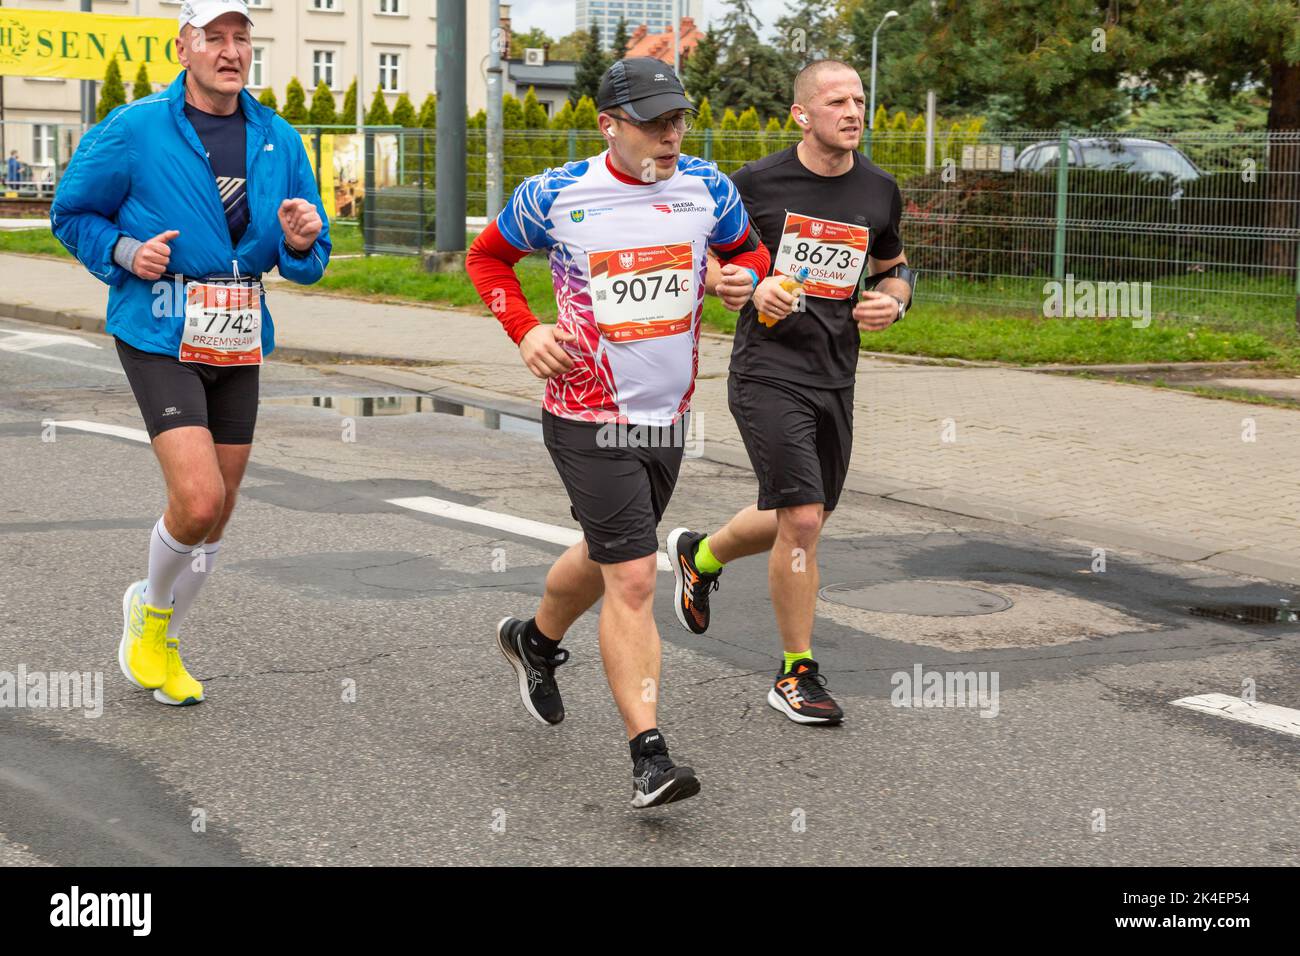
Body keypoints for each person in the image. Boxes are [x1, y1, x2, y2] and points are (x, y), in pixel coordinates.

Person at [466, 57, 769, 807]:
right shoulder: (557, 195)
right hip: (583, 412)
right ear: (609, 125)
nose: (671, 136)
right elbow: (488, 257)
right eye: (654, 123)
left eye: (679, 121)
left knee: (608, 552)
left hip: (666, 415)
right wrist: (525, 327)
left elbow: (750, 257)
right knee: (634, 575)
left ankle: (533, 641)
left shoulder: (708, 187)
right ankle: (649, 756)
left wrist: (744, 280)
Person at [51, 0, 330, 706]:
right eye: (214, 37)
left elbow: (309, 255)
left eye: (241, 38)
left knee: (222, 509)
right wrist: (123, 250)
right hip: (158, 326)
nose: (231, 51)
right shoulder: (136, 128)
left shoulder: (279, 137)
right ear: (184, 49)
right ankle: (147, 615)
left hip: (237, 330)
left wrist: (300, 240)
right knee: (197, 497)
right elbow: (71, 212)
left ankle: (163, 627)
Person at [669, 59, 914, 725]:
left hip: (837, 373)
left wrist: (894, 301)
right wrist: (731, 282)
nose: (854, 111)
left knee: (799, 515)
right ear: (802, 115)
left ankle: (700, 553)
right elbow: (707, 256)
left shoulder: (878, 189)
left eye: (860, 99)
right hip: (767, 369)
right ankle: (795, 672)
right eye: (837, 101)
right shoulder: (755, 182)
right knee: (803, 518)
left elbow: (895, 270)